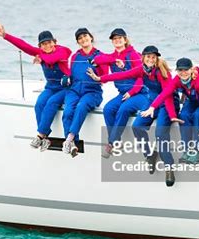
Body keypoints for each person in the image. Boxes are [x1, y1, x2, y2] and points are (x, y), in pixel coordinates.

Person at [88, 45, 180, 187]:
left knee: (160, 133)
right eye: (148, 56)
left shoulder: (162, 72)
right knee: (137, 126)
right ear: (143, 58)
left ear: (156, 59)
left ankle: (169, 167)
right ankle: (149, 155)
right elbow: (121, 75)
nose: (150, 59)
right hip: (152, 104)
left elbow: (166, 94)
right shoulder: (142, 70)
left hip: (167, 104)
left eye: (153, 57)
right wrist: (100, 78)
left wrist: (169, 114)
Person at [0, 22, 71, 151]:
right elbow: (24, 46)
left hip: (64, 88)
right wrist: (5, 35)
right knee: (39, 104)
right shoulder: (41, 52)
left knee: (51, 103)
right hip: (50, 87)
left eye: (49, 43)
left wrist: (41, 56)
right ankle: (46, 137)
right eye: (43, 44)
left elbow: (52, 59)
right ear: (40, 46)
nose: (47, 46)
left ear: (54, 42)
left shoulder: (63, 50)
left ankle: (40, 135)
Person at [142, 58, 199, 164]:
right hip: (193, 102)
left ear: (191, 69)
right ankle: (186, 151)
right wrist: (152, 107)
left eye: (186, 70)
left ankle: (197, 150)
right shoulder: (178, 79)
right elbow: (165, 93)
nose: (183, 73)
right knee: (184, 115)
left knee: (197, 115)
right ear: (177, 71)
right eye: (180, 70)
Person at [92, 28, 149, 157]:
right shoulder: (112, 56)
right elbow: (98, 59)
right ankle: (117, 142)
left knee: (123, 109)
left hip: (139, 93)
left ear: (125, 39)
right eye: (114, 39)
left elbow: (141, 78)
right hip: (122, 93)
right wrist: (114, 61)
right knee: (108, 109)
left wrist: (132, 92)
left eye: (120, 38)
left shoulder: (133, 55)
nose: (117, 40)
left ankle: (111, 143)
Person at [62, 28, 108, 157]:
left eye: (85, 36)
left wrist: (96, 73)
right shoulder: (75, 56)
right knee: (67, 111)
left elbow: (106, 77)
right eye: (80, 38)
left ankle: (69, 138)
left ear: (91, 37)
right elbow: (70, 74)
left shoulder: (101, 56)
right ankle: (73, 145)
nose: (83, 39)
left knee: (81, 106)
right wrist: (66, 78)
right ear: (78, 42)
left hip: (92, 92)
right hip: (74, 90)